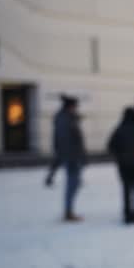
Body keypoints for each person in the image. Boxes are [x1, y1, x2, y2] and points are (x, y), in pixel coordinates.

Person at [107, 107, 134, 224]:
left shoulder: (120, 129)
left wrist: (119, 155)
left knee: (126, 189)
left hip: (124, 164)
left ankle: (128, 214)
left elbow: (111, 145)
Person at [51, 94, 86, 222]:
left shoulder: (65, 118)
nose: (76, 109)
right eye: (75, 106)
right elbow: (68, 141)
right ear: (70, 107)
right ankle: (68, 212)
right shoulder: (66, 120)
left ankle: (69, 210)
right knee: (72, 185)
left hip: (73, 156)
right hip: (72, 157)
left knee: (74, 184)